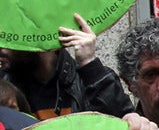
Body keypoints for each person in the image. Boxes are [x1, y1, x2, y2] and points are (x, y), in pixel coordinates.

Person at [3, 13, 134, 119]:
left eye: (11, 37)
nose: (1, 46)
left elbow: (121, 129)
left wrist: (90, 64)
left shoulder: (91, 79)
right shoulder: (5, 87)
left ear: (40, 38)